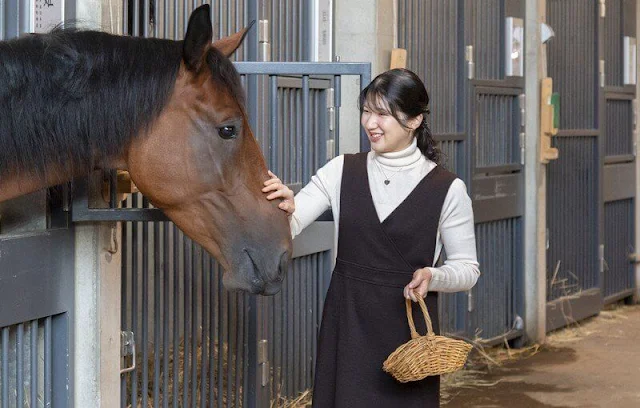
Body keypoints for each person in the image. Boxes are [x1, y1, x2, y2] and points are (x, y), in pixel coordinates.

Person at [263, 68, 480, 407]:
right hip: (347, 327)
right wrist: (281, 207)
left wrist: (433, 276)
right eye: (366, 110)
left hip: (406, 339)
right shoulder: (341, 170)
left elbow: (467, 270)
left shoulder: (448, 189)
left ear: (414, 120)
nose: (370, 122)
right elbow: (292, 223)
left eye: (383, 114)